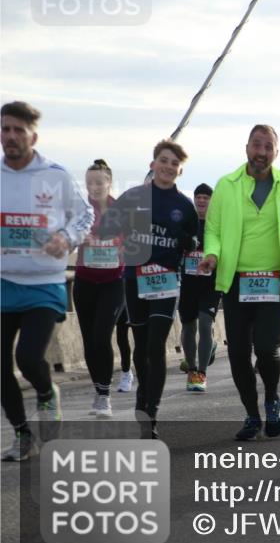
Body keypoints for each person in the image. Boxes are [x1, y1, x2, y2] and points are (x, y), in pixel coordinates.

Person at [199, 124, 280, 441]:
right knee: (239, 352)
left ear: (276, 152)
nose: (262, 152)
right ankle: (252, 415)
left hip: (275, 280)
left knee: (267, 347)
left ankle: (271, 398)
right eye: (257, 145)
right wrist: (212, 255)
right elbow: (212, 229)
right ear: (246, 148)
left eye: (268, 146)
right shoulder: (226, 186)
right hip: (236, 280)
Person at [1, 101, 92, 460]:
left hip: (44, 282)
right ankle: (23, 434)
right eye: (5, 129)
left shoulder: (55, 176)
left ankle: (46, 393)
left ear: (32, 136)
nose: (10, 136)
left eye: (18, 130)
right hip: (4, 281)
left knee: (27, 357)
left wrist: (66, 238)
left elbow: (84, 216)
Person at [100, 140, 197, 438]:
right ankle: (143, 395)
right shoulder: (133, 197)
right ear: (153, 164)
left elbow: (194, 242)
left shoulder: (184, 206)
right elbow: (106, 229)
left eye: (174, 163)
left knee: (156, 346)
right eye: (163, 160)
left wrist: (187, 241)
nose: (168, 166)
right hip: (135, 278)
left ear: (180, 170)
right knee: (141, 347)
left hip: (167, 280)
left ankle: (149, 414)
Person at [74, 159, 125, 418]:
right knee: (89, 342)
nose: (94, 187)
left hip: (114, 283)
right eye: (89, 183)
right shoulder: (81, 211)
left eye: (99, 182)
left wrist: (115, 242)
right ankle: (98, 389)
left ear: (109, 183)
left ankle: (104, 396)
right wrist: (77, 237)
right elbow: (67, 237)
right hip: (84, 281)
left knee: (101, 335)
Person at [179, 183, 219, 392]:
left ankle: (200, 373)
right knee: (188, 327)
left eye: (206, 197)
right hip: (188, 283)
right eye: (199, 197)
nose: (202, 201)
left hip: (210, 284)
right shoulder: (188, 223)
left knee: (204, 324)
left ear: (211, 201)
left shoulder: (216, 224)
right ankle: (191, 368)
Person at [115, 310, 134, 392]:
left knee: (141, 339)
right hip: (123, 302)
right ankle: (126, 371)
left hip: (139, 300)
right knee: (121, 338)